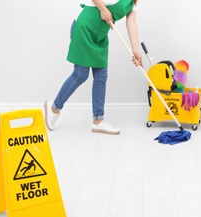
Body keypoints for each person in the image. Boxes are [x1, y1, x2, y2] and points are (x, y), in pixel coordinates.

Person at [44, 0, 142, 135]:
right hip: (84, 27)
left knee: (101, 77)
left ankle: (98, 121)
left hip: (100, 34)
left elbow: (131, 22)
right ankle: (53, 108)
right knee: (80, 74)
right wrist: (103, 8)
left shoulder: (134, 2)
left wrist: (135, 50)